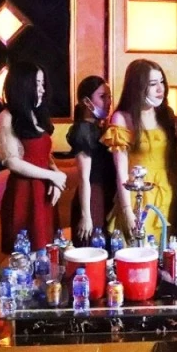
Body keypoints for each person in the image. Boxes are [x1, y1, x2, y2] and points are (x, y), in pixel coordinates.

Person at [101, 59, 177, 243]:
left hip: (167, 194)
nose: (160, 89)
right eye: (153, 84)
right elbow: (121, 172)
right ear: (137, 87)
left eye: (162, 82)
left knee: (167, 253)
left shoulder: (166, 115)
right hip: (138, 196)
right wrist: (127, 212)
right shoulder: (122, 118)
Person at [0, 61, 66, 253]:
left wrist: (56, 177)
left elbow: (44, 155)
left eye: (43, 84)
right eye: (37, 84)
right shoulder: (7, 117)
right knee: (26, 253)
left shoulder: (37, 114)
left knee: (48, 251)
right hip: (24, 191)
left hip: (43, 191)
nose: (42, 89)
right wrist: (52, 176)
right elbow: (12, 162)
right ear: (23, 86)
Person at [68, 76, 116, 247]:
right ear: (87, 102)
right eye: (102, 97)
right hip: (93, 197)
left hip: (106, 195)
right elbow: (84, 178)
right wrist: (86, 216)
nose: (108, 101)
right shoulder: (84, 130)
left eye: (109, 96)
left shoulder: (100, 128)